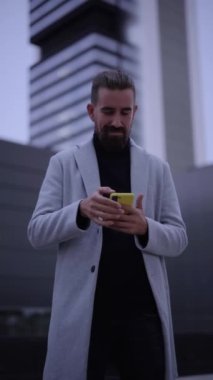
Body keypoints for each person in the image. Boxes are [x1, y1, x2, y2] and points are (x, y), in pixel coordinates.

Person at [28, 69, 188, 380]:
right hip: (84, 317)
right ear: (91, 111)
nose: (117, 121)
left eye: (125, 112)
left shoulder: (158, 168)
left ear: (134, 113)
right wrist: (80, 210)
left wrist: (145, 228)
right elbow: (36, 231)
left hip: (143, 316)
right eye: (108, 111)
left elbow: (179, 238)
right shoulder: (62, 163)